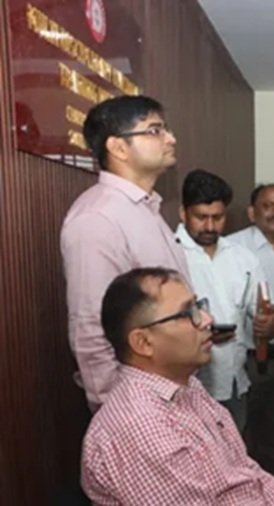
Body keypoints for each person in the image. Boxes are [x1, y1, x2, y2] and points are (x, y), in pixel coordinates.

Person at [81, 267, 274, 505]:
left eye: (198, 306)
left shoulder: (187, 386)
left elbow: (249, 474)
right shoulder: (140, 424)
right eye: (187, 313)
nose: (207, 320)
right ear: (143, 343)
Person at [61, 95, 189, 410]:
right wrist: (116, 408)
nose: (171, 139)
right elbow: (90, 327)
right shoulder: (98, 217)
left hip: (170, 389)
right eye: (155, 130)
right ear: (118, 148)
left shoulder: (147, 209)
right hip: (138, 405)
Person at [176, 169, 274, 430]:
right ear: (183, 213)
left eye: (218, 217)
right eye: (201, 217)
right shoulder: (169, 253)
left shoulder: (242, 257)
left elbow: (269, 310)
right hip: (185, 388)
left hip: (235, 384)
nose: (210, 226)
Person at [228, 183, 274, 482]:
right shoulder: (234, 248)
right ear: (251, 212)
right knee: (242, 439)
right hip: (246, 360)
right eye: (268, 206)